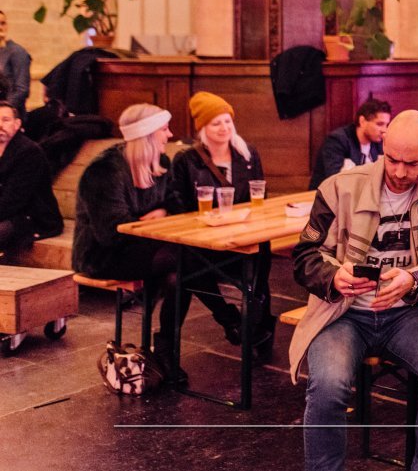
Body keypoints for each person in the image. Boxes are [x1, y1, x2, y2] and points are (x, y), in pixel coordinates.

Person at [290, 110, 418, 471]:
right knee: (328, 384)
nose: (399, 172)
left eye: (412, 163)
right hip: (343, 314)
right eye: (392, 159)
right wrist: (333, 277)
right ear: (382, 146)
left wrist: (414, 280)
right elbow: (304, 256)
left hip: (408, 314)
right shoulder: (339, 187)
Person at [72, 104, 211, 379]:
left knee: (177, 275)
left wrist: (158, 214)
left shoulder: (161, 163)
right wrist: (151, 218)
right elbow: (111, 233)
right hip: (101, 256)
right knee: (185, 257)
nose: (169, 135)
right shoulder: (103, 172)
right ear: (146, 134)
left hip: (143, 247)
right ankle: (229, 318)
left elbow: (176, 208)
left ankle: (166, 352)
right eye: (164, 129)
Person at [167, 92, 273, 354]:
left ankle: (258, 323)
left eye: (227, 121)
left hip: (242, 234)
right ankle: (229, 318)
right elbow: (178, 205)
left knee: (263, 248)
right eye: (216, 123)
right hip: (204, 240)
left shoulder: (247, 154)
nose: (224, 128)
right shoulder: (186, 160)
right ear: (203, 128)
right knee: (186, 263)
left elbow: (261, 195)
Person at [0, 100, 62, 251]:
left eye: (5, 120)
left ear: (17, 124)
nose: (0, 125)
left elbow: (14, 200)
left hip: (30, 216)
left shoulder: (29, 152)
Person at [309, 97, 393, 188]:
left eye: (387, 125)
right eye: (380, 124)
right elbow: (336, 179)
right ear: (362, 121)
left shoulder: (378, 142)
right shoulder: (337, 140)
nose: (385, 130)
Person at [0, 10, 32, 118]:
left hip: (10, 117)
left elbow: (22, 90)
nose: (0, 27)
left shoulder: (17, 52)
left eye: (3, 23)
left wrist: (4, 108)